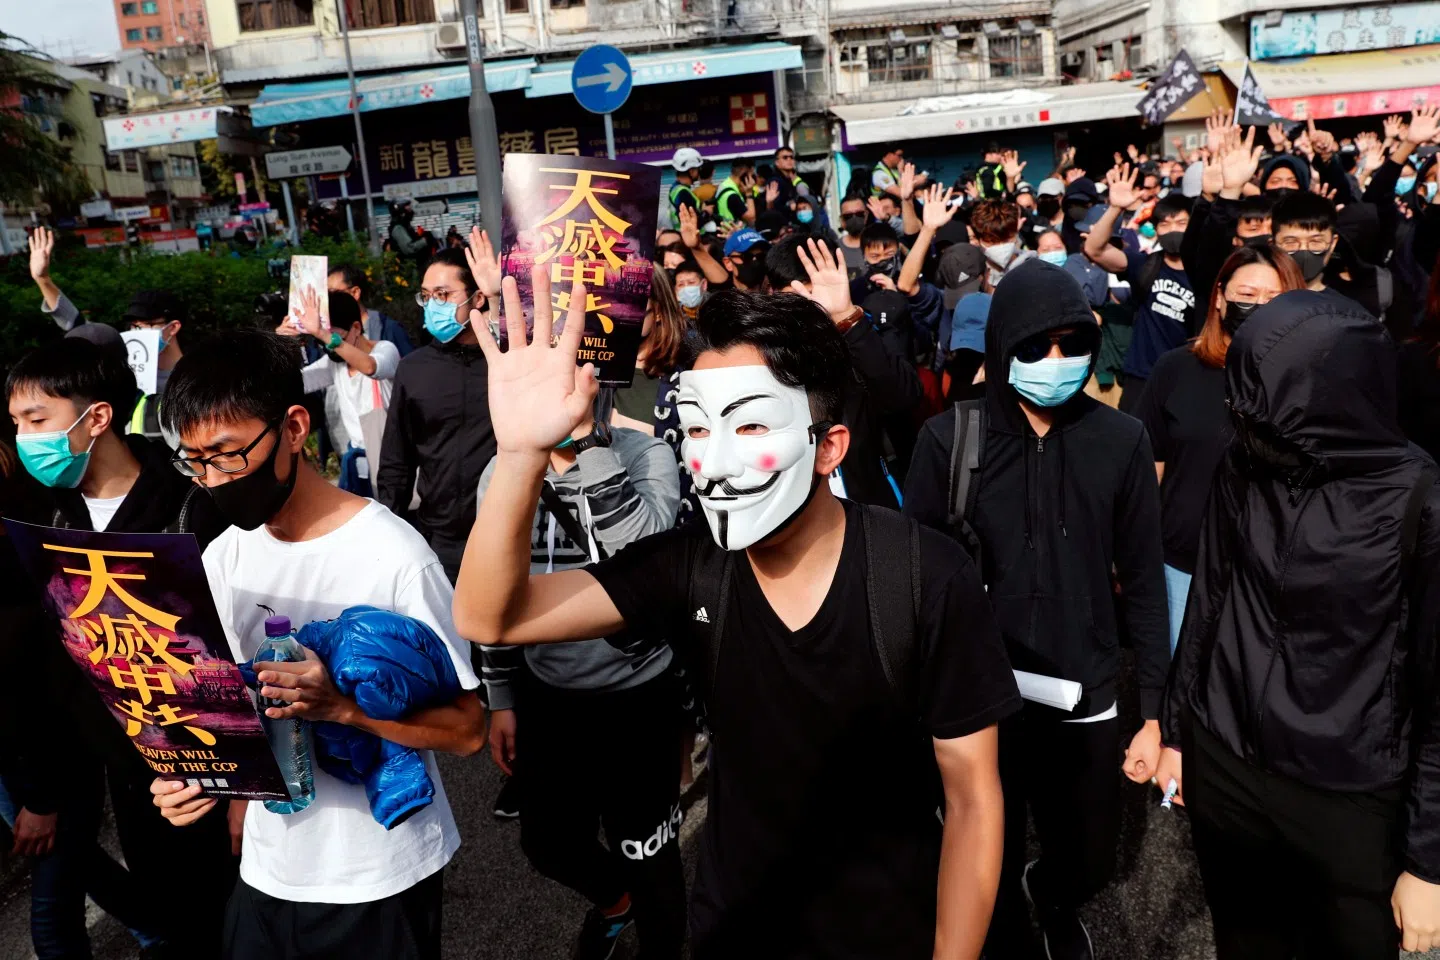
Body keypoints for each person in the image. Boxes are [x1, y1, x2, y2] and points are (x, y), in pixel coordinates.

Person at [454, 269, 1020, 960]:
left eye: (750, 424)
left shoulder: (923, 575)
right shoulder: (689, 566)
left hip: (888, 928)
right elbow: (492, 616)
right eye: (697, 428)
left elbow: (972, 796)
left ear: (829, 447)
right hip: (736, 929)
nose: (714, 462)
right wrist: (521, 454)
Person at [150, 330, 486, 960]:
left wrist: (343, 708)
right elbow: (225, 711)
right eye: (193, 461)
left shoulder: (394, 556)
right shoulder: (223, 558)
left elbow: (468, 730)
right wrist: (197, 780)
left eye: (227, 455)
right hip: (268, 871)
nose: (212, 480)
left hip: (378, 874)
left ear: (294, 428)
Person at [1154, 290, 1440, 958]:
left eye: (1262, 399)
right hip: (1226, 764)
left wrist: (1428, 862)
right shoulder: (1245, 459)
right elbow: (1209, 602)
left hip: (1348, 797)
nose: (1241, 413)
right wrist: (1177, 732)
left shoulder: (1421, 501)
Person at [903, 259, 1169, 960]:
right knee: (981, 839)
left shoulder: (1122, 440)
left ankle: (1052, 894)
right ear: (1002, 347)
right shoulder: (947, 440)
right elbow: (913, 583)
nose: (1056, 361)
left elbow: (1145, 580)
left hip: (1086, 687)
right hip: (979, 694)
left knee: (1089, 850)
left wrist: (1154, 714)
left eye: (1072, 343)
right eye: (1036, 345)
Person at [6, 337, 235, 959]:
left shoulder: (194, 505)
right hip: (132, 777)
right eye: (16, 423)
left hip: (220, 765)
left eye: (37, 420)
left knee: (240, 922)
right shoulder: (50, 522)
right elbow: (53, 668)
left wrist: (245, 790)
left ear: (97, 417)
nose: (25, 439)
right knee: (180, 924)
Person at [477, 392, 683, 959]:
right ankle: (617, 903)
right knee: (547, 842)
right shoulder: (504, 470)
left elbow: (641, 561)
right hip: (549, 696)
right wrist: (501, 698)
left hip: (639, 697)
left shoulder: (646, 455)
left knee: (649, 854)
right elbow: (493, 592)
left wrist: (591, 443)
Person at [1133, 246, 1304, 652]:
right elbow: (1149, 468)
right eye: (1247, 294)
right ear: (1220, 296)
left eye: (1274, 299)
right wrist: (1135, 553)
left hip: (1269, 574)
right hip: (1179, 567)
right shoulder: (1175, 369)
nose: (1259, 307)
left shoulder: (1306, 381)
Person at [767, 236, 923, 505]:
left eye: (813, 295)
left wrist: (845, 318)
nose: (806, 308)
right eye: (795, 299)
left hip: (868, 509)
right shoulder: (762, 354)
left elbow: (904, 396)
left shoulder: (863, 334)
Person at [377, 244, 499, 582]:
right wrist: (389, 533)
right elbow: (396, 461)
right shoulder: (414, 369)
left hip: (507, 534)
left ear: (477, 298)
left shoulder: (507, 362)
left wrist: (498, 299)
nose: (433, 305)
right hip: (439, 540)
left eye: (443, 295)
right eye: (427, 296)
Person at [1085, 164, 1195, 412]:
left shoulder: (1204, 274)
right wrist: (1115, 208)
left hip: (1186, 379)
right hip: (1142, 377)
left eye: (1181, 223)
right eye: (1165, 224)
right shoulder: (1146, 265)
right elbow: (1094, 249)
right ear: (1156, 229)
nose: (1173, 230)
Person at [286, 289, 400, 498]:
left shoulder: (386, 350)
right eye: (323, 342)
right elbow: (296, 382)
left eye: (335, 337)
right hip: (356, 462)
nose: (330, 347)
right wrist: (281, 343)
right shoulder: (334, 364)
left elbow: (371, 367)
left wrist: (323, 333)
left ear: (356, 328)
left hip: (391, 463)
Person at [1271, 191, 1382, 316]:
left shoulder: (1349, 313)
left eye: (1315, 242)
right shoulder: (1260, 301)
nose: (1304, 251)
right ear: (1273, 243)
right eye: (1290, 242)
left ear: (1333, 243)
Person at [327, 262, 415, 358]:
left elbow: (410, 364)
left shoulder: (389, 330)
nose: (327, 299)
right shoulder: (325, 331)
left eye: (332, 293)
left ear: (355, 292)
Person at [714, 159, 758, 227]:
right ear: (743, 173)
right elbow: (751, 218)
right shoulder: (732, 195)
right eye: (751, 175)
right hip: (732, 232)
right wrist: (749, 193)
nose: (752, 179)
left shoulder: (725, 185)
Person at [669, 148, 704, 227]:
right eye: (698, 169)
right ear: (691, 171)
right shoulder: (683, 193)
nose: (699, 172)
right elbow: (693, 222)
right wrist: (707, 213)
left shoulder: (675, 188)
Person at [767, 146, 806, 212]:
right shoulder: (775, 181)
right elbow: (774, 208)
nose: (789, 160)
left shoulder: (792, 179)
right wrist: (791, 208)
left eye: (791, 157)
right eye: (785, 157)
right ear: (777, 163)